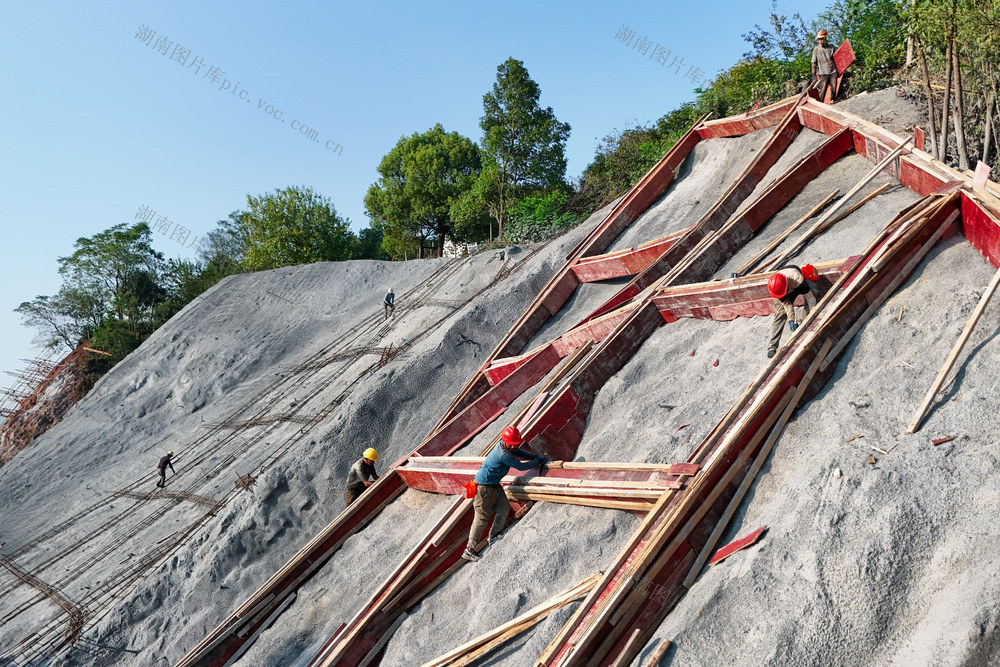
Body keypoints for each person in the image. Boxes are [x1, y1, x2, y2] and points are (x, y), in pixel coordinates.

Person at [462, 426, 548, 561]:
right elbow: (520, 466)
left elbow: (517, 451)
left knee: (503, 509)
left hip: (494, 485)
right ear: (505, 441)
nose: (515, 446)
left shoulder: (505, 446)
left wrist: (532, 456)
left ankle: (494, 535)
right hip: (483, 489)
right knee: (481, 519)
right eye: (512, 444)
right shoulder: (503, 454)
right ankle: (469, 550)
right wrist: (537, 461)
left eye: (516, 444)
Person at [767, 264, 819, 359]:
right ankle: (772, 346)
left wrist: (812, 315)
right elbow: (787, 305)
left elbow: (811, 299)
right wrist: (791, 319)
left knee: (813, 291)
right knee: (780, 313)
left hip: (795, 283)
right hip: (783, 289)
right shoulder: (775, 288)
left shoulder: (797, 279)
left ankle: (805, 323)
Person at [811, 29, 838, 102]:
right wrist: (813, 73)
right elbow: (813, 62)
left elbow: (836, 58)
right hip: (823, 73)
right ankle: (821, 102)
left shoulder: (831, 47)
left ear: (826, 38)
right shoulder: (816, 50)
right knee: (823, 90)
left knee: (834, 87)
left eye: (822, 39)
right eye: (819, 39)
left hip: (832, 71)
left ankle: (833, 100)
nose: (820, 41)